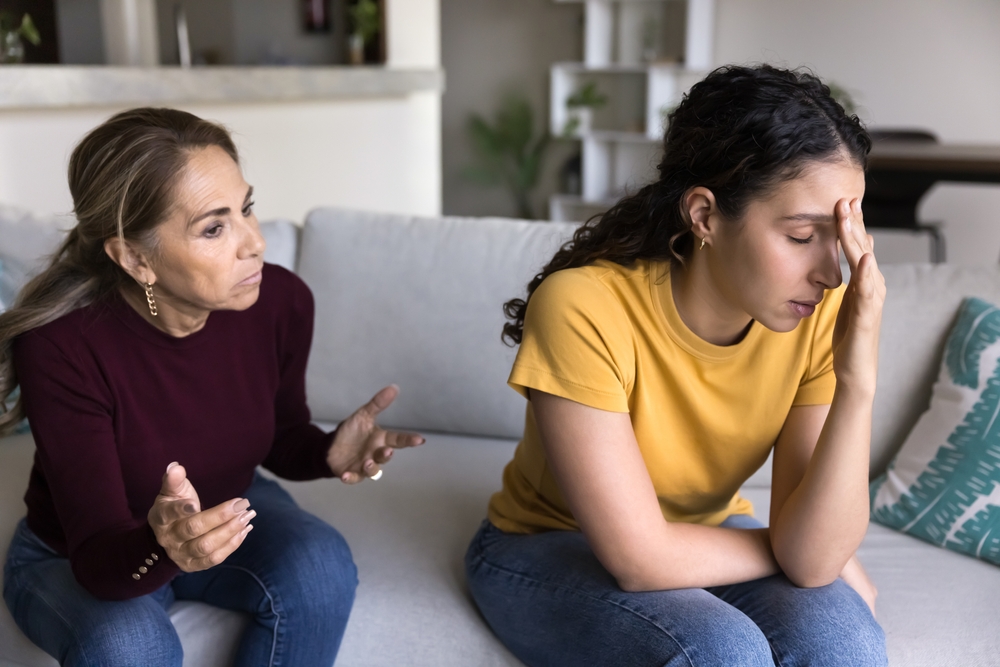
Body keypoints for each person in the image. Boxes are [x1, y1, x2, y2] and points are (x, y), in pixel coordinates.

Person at [465, 65, 888, 666]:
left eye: (842, 234)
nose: (831, 271)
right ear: (706, 216)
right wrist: (804, 550)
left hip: (706, 537)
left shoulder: (820, 314)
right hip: (546, 544)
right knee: (720, 651)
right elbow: (639, 561)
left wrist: (858, 380)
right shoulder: (584, 307)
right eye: (801, 236)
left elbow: (814, 556)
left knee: (845, 644)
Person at [0, 107, 424, 667]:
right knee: (130, 647)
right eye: (214, 227)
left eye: (246, 208)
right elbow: (101, 561)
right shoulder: (62, 348)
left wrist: (325, 451)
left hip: (223, 515)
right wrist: (163, 545)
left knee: (321, 565)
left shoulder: (280, 301)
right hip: (83, 555)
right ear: (135, 257)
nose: (254, 243)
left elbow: (279, 436)